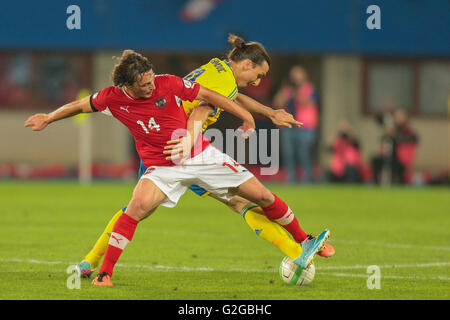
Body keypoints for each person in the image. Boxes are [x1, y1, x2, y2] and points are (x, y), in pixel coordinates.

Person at [25, 49, 330, 286]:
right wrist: (49, 118)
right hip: (171, 156)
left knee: (248, 198)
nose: (258, 82)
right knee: (145, 206)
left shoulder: (194, 74)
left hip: (190, 151)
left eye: (151, 79)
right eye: (259, 75)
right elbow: (201, 109)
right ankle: (100, 268)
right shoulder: (116, 97)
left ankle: (301, 244)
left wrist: (261, 114)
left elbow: (214, 97)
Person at [273, 65, 319, 183]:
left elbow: (307, 102)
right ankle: (291, 178)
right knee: (288, 153)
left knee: (304, 153)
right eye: (293, 75)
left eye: (298, 74)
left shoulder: (309, 88)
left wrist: (296, 91)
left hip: (305, 126)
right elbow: (277, 103)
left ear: (304, 75)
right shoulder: (287, 89)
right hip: (288, 125)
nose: (295, 77)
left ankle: (307, 179)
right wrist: (284, 91)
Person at [371, 109, 418, 184]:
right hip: (388, 156)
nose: (398, 118)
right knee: (375, 160)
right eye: (396, 116)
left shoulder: (408, 131)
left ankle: (400, 183)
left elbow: (410, 140)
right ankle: (376, 183)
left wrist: (394, 135)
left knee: (396, 166)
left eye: (400, 116)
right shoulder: (391, 128)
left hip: (400, 158)